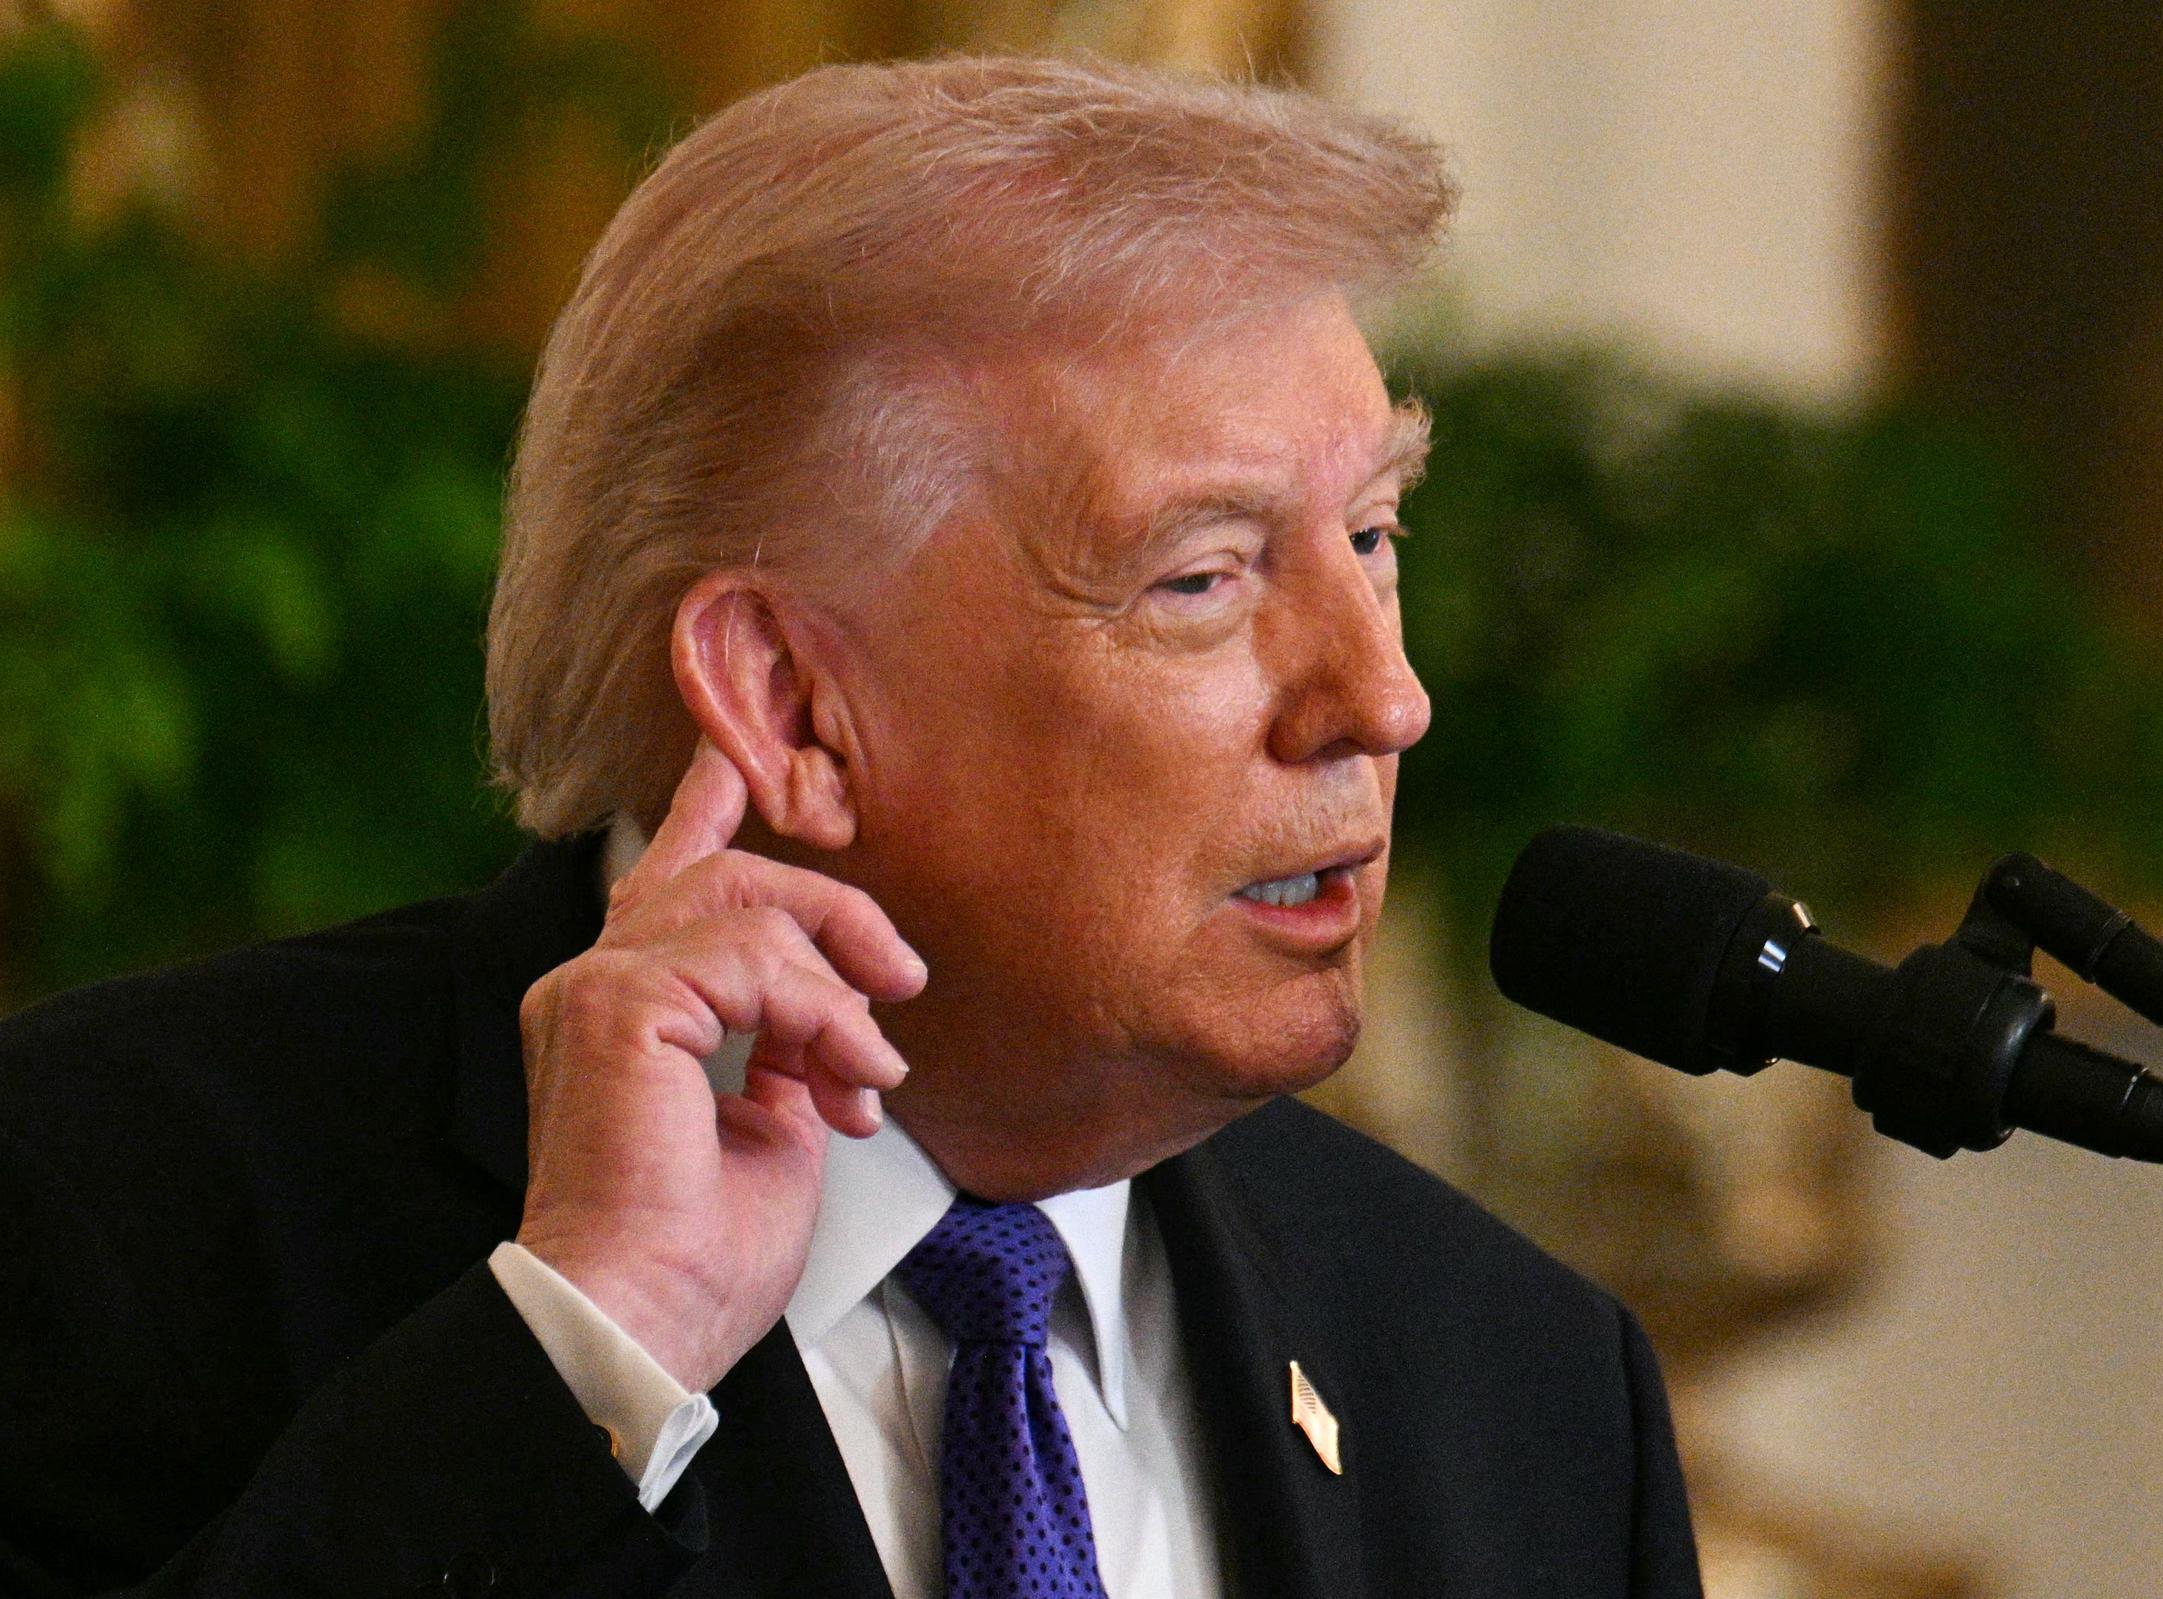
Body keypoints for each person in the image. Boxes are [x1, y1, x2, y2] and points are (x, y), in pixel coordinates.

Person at [0, 56, 1703, 1599]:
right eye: (1203, 576)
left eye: (1376, 533)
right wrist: (593, 1345)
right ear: (793, 706)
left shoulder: (1529, 1391)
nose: (1380, 700)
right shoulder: (93, 1214)